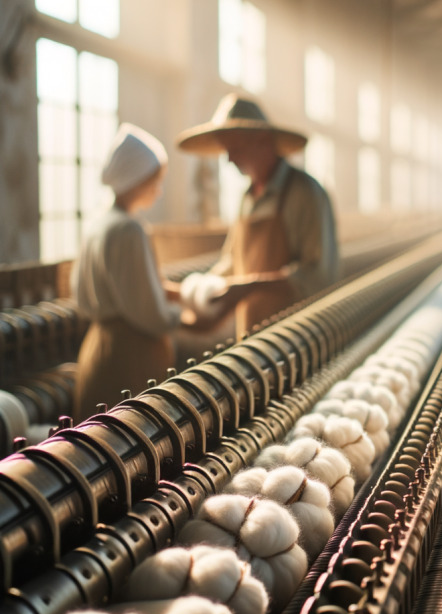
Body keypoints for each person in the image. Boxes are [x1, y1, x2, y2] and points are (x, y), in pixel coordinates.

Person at [176, 93, 338, 338]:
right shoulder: (247, 197)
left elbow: (318, 275)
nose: (229, 159)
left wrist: (249, 288)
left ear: (262, 140)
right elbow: (233, 262)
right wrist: (202, 291)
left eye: (235, 148)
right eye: (226, 150)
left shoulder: (305, 194)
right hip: (253, 335)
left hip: (298, 336)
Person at [72, 124, 187, 418]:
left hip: (98, 352)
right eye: (155, 180)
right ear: (137, 179)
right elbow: (148, 313)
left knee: (94, 453)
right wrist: (181, 312)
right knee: (132, 448)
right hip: (130, 359)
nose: (158, 190)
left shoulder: (98, 223)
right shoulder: (129, 229)